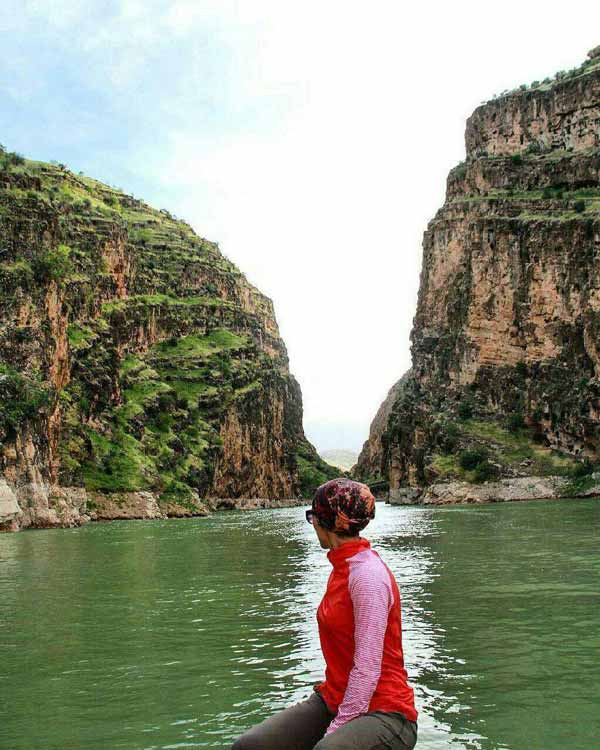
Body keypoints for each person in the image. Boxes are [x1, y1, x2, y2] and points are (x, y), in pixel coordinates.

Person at [231, 478, 418, 750]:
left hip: (387, 711)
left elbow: (367, 669)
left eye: (313, 517)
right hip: (336, 696)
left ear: (325, 521)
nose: (313, 524)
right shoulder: (342, 566)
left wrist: (336, 727)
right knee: (250, 746)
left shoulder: (367, 576)